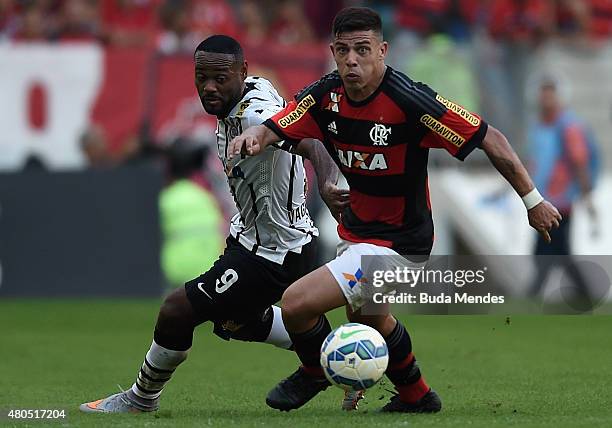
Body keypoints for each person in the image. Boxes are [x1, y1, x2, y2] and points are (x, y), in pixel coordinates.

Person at [228, 7, 562, 413]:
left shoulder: (410, 101)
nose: (353, 60)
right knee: (372, 320)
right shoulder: (323, 96)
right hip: (358, 233)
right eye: (345, 51)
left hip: (401, 242)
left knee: (296, 304)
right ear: (333, 51)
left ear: (382, 50)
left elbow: (490, 137)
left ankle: (314, 371)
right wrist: (254, 137)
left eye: (363, 50)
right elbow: (278, 127)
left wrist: (533, 200)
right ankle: (417, 395)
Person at [79, 34, 350, 414]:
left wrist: (325, 182)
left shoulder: (257, 114)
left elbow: (311, 142)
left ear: (242, 72)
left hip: (273, 252)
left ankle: (140, 399)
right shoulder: (248, 92)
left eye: (220, 78)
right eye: (201, 76)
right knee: (233, 321)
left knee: (177, 310)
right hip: (255, 240)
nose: (209, 87)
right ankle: (339, 356)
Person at [527, 74, 598, 303]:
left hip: (561, 200)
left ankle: (533, 294)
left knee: (549, 250)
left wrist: (587, 198)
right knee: (556, 250)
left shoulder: (568, 126)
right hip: (542, 199)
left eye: (550, 94)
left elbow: (579, 162)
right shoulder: (539, 125)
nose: (546, 99)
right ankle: (582, 293)